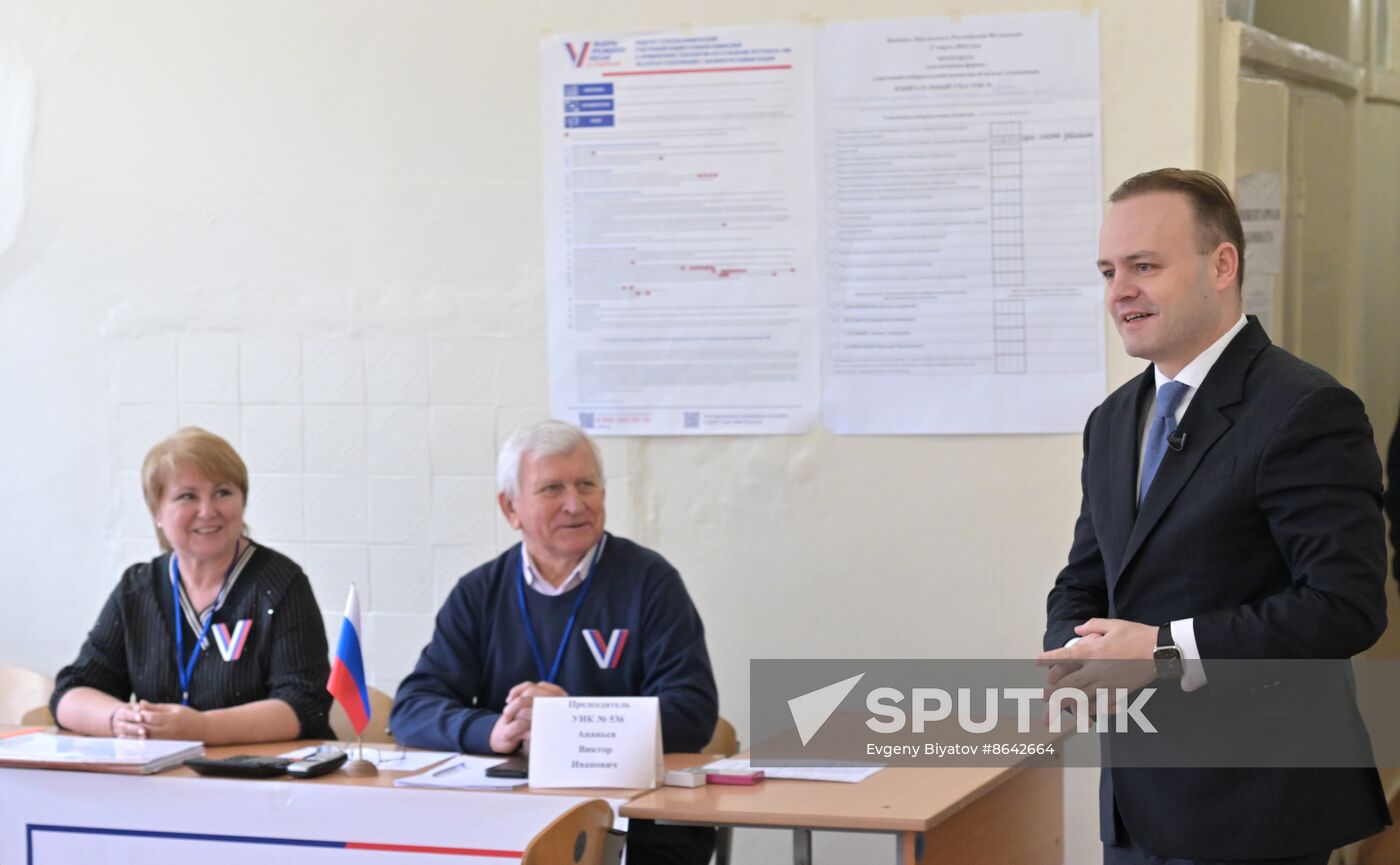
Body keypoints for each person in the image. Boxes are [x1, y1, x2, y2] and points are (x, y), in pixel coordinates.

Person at [1039, 168, 1390, 864]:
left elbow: (1345, 605)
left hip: (1254, 807)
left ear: (1221, 264)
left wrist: (1163, 653)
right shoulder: (1111, 421)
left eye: (1145, 265)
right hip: (1138, 804)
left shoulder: (1305, 408)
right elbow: (1086, 576)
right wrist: (1075, 657)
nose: (1120, 292)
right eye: (1109, 270)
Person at [390, 420, 718, 865]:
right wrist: (495, 732)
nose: (574, 503)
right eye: (551, 489)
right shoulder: (480, 592)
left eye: (587, 484)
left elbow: (692, 711)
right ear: (511, 508)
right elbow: (412, 708)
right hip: (508, 817)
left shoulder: (650, 583)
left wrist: (570, 721)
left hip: (637, 822)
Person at [52, 427, 333, 743]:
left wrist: (202, 729)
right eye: (187, 496)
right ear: (157, 511)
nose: (207, 510)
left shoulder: (280, 583)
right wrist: (121, 720)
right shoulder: (137, 589)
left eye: (223, 493)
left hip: (265, 783)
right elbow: (70, 692)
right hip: (163, 780)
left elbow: (306, 704)